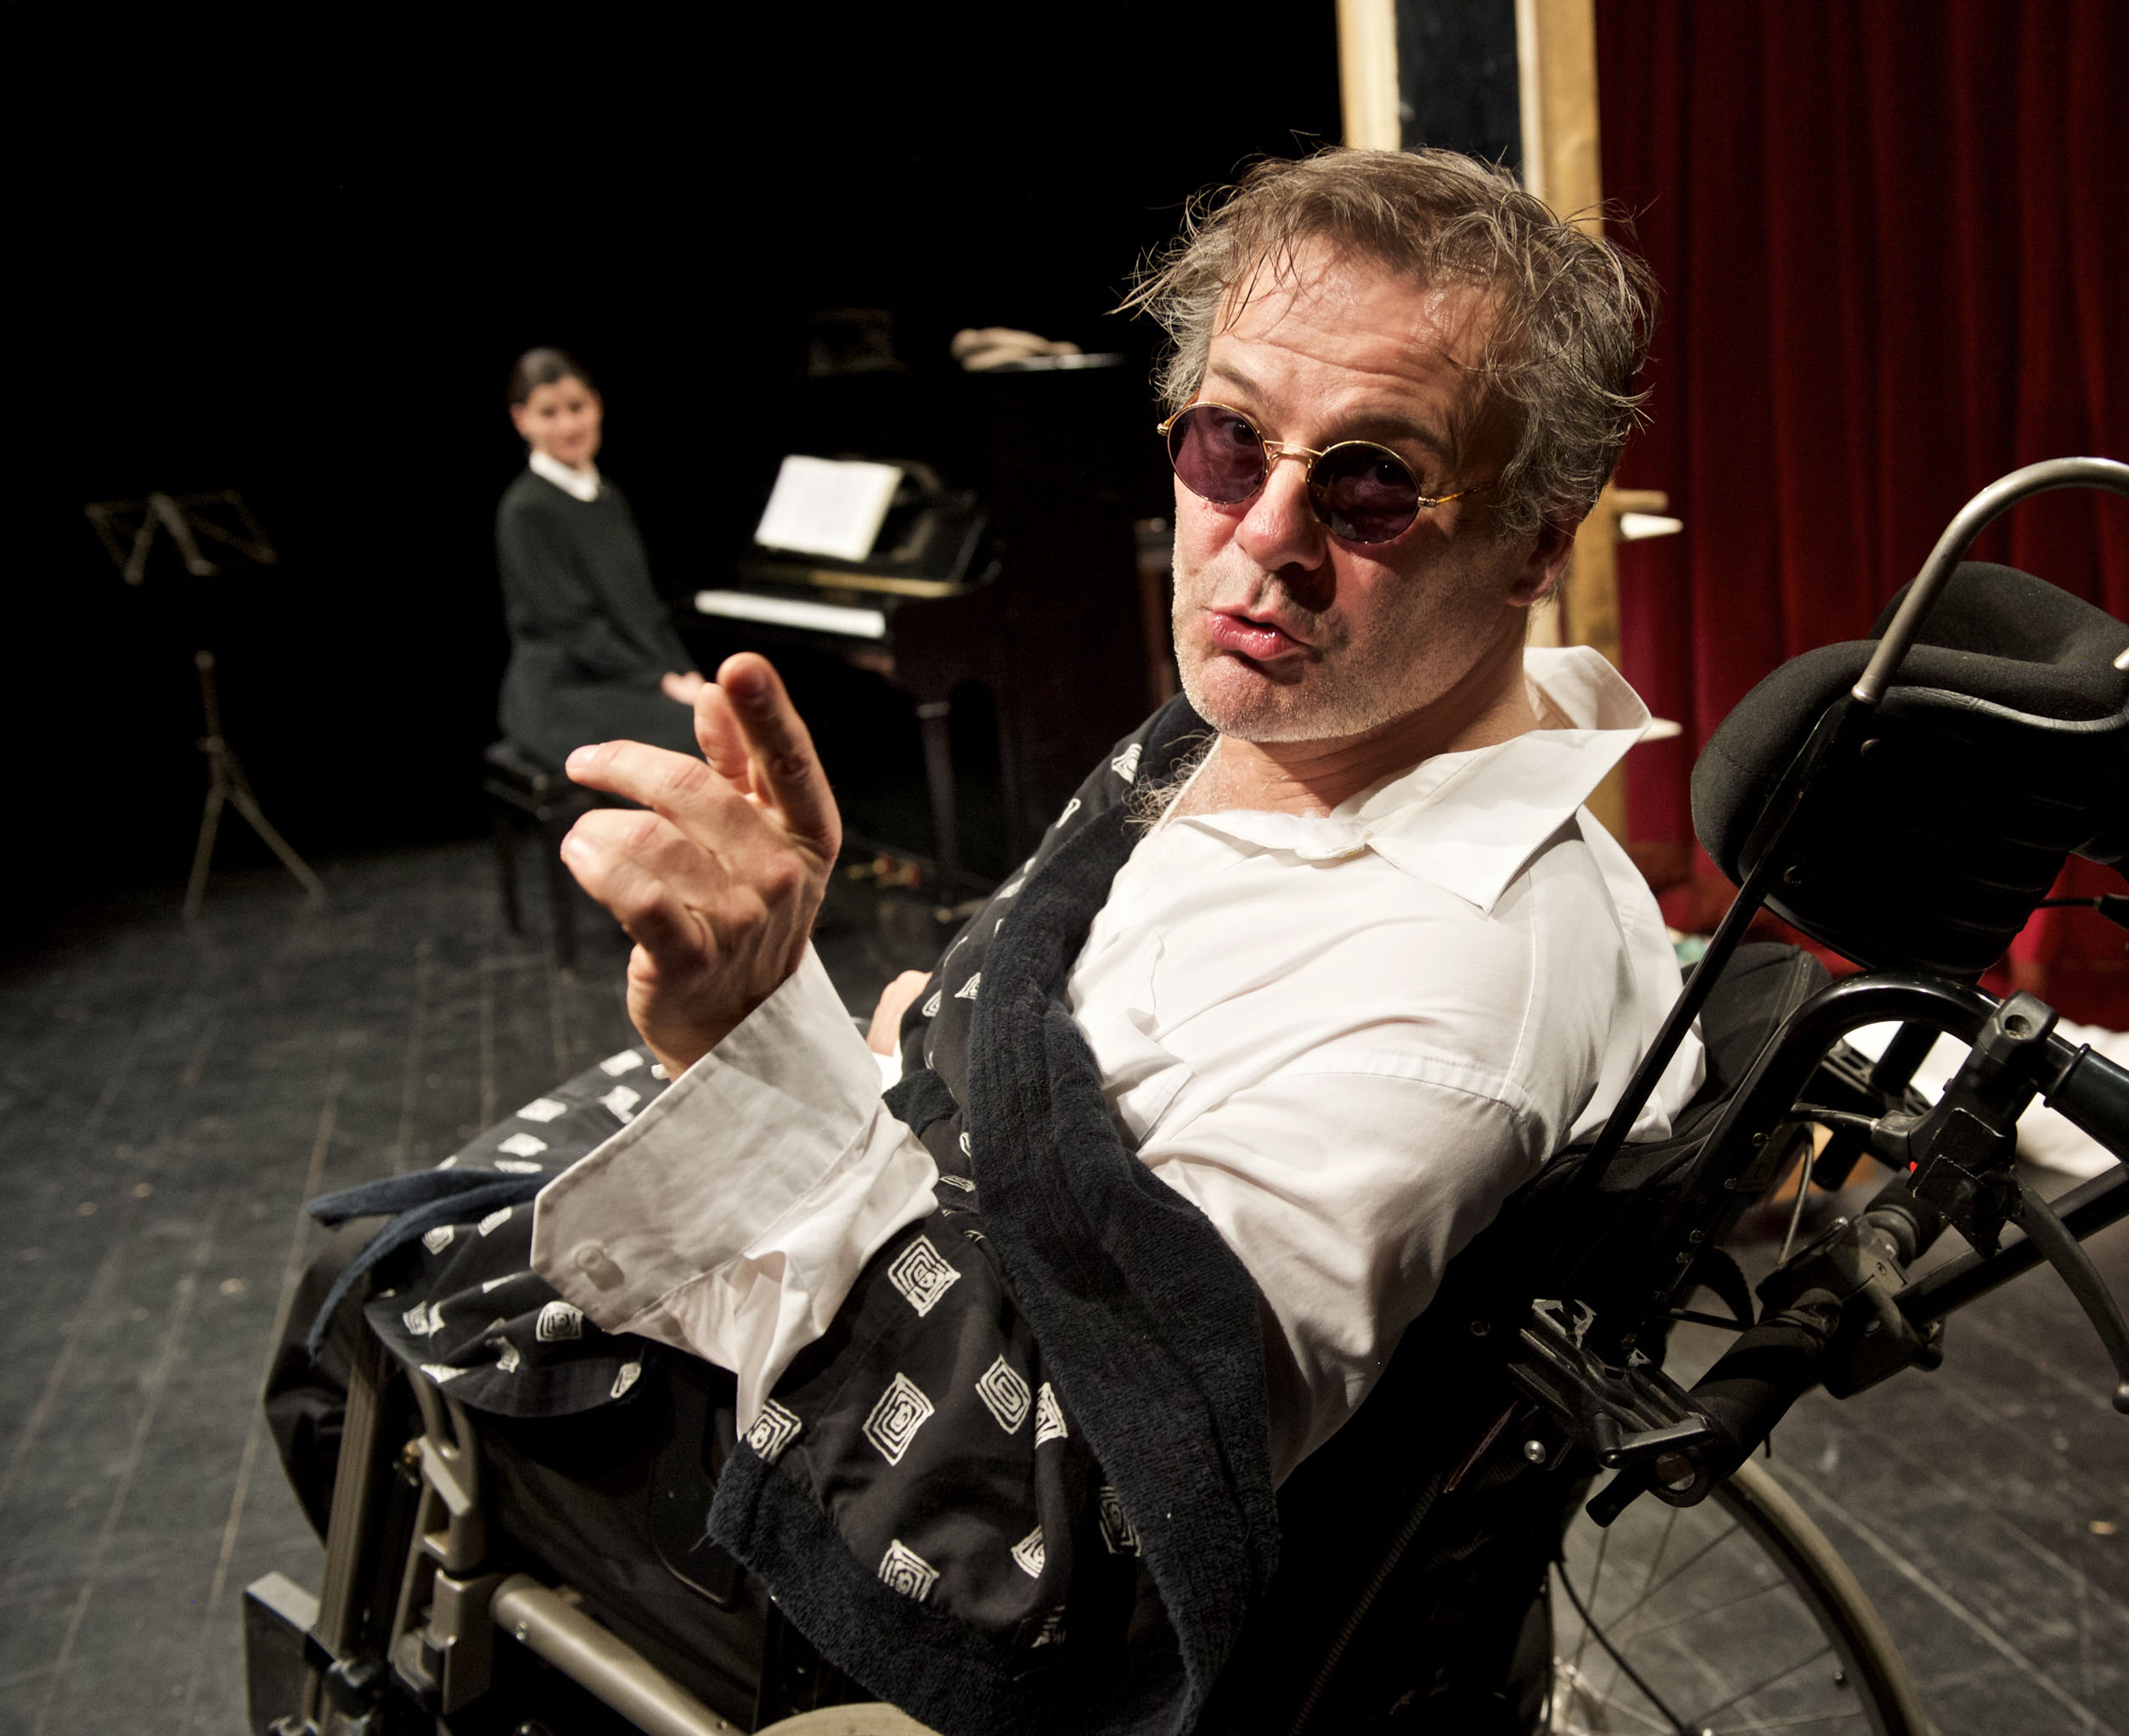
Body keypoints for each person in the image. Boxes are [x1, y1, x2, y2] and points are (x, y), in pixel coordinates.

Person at [288, 149, 1702, 1732]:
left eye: (1372, 480)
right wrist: (917, 1033)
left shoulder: (1442, 993)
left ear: (1531, 541)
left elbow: (1062, 1513)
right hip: (938, 1198)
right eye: (1228, 440)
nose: (1262, 536)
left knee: (364, 1292)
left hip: (922, 1493)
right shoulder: (1322, 723)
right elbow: (1060, 1009)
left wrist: (759, 1047)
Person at [495, 347, 705, 768]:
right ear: (521, 420)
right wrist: (661, 680)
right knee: (695, 742)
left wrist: (685, 673)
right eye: (548, 413)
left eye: (576, 407)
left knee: (725, 720)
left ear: (597, 405)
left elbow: (643, 609)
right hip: (567, 693)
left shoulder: (608, 497)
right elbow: (574, 630)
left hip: (625, 677)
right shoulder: (527, 510)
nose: (568, 425)